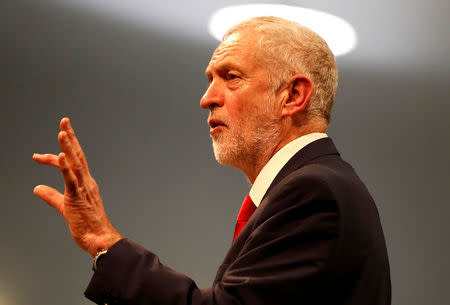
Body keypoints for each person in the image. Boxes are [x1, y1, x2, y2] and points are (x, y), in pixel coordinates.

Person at [33, 17, 391, 305]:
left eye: (231, 77)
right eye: (209, 80)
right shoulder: (318, 186)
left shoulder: (314, 192)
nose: (207, 98)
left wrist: (103, 240)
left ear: (293, 95)